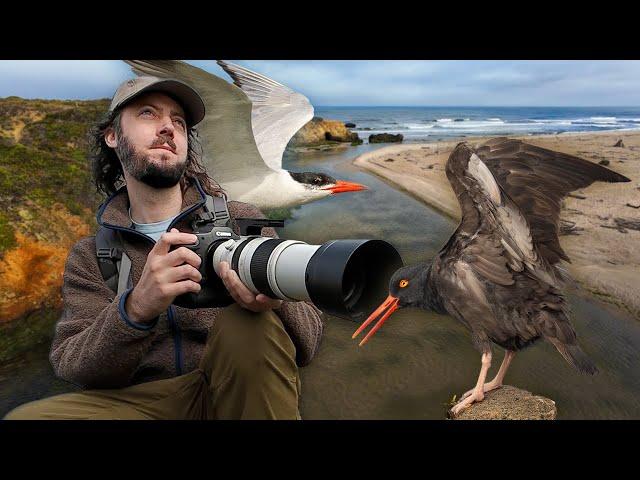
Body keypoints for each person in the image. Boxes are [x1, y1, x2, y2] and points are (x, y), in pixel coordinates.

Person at [4, 75, 324, 420]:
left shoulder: (241, 220)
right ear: (112, 136)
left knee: (248, 324)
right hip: (145, 403)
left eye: (179, 122)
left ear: (187, 142)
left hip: (234, 387)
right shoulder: (91, 255)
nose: (168, 128)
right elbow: (74, 366)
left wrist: (275, 304)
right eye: (147, 114)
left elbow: (310, 336)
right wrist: (135, 309)